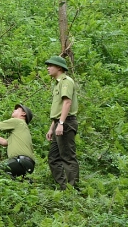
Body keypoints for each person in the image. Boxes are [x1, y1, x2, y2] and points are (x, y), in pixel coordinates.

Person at [45, 55, 79, 190]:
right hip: (59, 123)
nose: (48, 68)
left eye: (50, 65)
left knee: (68, 157)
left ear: (59, 67)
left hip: (66, 123)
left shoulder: (66, 81)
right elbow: (58, 109)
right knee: (53, 157)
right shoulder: (58, 83)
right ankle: (64, 186)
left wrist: (61, 123)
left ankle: (72, 189)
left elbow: (67, 103)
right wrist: (52, 127)